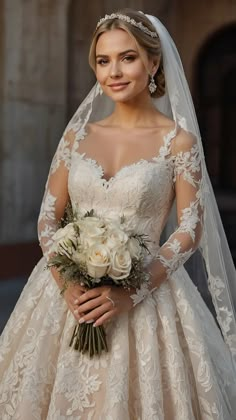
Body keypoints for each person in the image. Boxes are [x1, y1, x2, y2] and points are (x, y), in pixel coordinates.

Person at [0, 8, 236, 419]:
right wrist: (64, 283)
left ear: (153, 62)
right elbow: (47, 219)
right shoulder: (77, 135)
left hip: (147, 296)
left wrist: (132, 292)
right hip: (64, 296)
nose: (114, 71)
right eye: (103, 60)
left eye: (127, 57)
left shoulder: (179, 142)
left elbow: (190, 227)